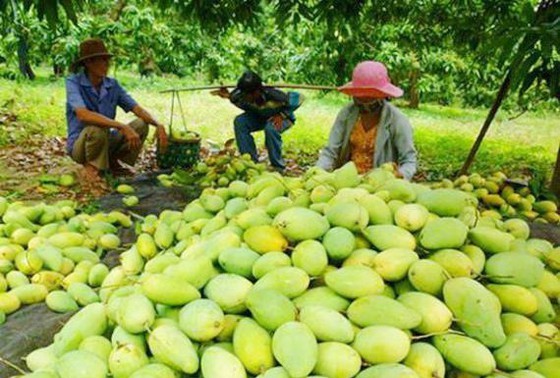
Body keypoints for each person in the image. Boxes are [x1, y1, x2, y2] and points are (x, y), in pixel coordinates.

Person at [65, 38, 168, 180]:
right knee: (96, 130)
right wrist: (120, 126)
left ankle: (114, 163)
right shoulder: (73, 82)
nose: (107, 64)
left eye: (107, 60)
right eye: (102, 60)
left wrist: (158, 124)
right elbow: (83, 115)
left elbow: (136, 108)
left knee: (141, 124)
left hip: (106, 141)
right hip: (81, 145)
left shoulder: (112, 85)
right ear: (89, 63)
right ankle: (92, 167)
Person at [317, 61, 417, 180]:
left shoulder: (397, 120)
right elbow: (330, 152)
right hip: (347, 182)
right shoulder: (347, 114)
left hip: (380, 185)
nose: (365, 101)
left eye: (370, 96)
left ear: (383, 95)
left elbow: (409, 161)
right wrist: (318, 172)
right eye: (360, 96)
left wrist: (401, 175)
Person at [211, 70, 304, 171]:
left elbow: (300, 98)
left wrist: (282, 115)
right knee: (240, 122)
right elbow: (234, 98)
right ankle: (250, 162)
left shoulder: (273, 94)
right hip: (260, 117)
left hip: (282, 118)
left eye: (248, 94)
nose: (245, 97)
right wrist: (227, 95)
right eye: (244, 94)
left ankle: (278, 166)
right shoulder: (241, 95)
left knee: (271, 128)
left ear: (257, 91)